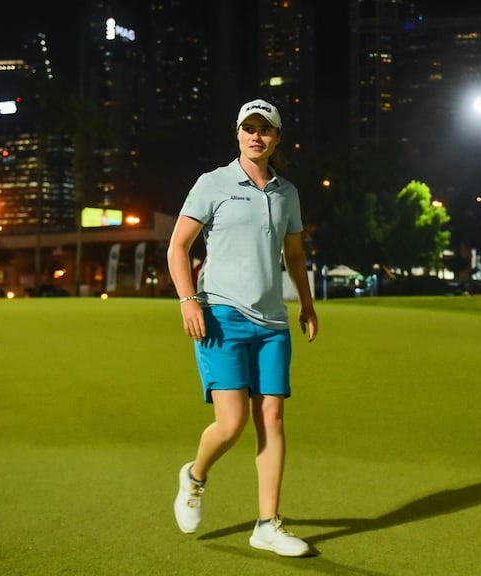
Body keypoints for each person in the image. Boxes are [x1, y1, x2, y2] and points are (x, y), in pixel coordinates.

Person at [166, 98, 318, 557]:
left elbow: (294, 255)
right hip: (221, 315)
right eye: (249, 128)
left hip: (272, 324)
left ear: (277, 138)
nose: (256, 136)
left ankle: (268, 524)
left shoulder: (287, 193)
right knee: (230, 424)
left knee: (271, 419)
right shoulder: (212, 183)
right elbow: (178, 247)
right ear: (237, 133)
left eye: (265, 129)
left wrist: (307, 304)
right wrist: (187, 301)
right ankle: (194, 476)